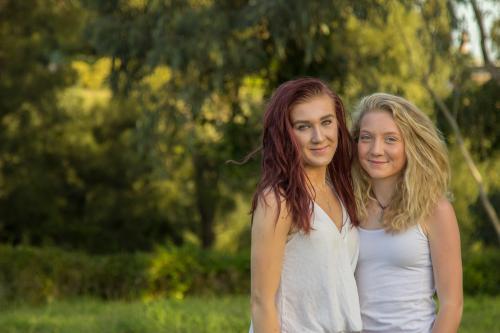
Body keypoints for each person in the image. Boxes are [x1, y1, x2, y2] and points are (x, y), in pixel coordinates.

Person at [249, 77, 362, 333]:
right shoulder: (278, 200)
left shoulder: (341, 192)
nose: (318, 137)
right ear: (285, 134)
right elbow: (261, 302)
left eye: (326, 122)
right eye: (303, 126)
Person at [351, 93, 463, 333]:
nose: (376, 150)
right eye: (366, 138)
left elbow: (452, 305)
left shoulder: (435, 209)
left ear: (410, 144)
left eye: (390, 139)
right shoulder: (346, 206)